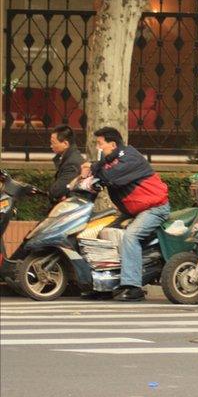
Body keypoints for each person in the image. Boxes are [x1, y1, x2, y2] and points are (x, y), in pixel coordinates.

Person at [80, 127, 170, 302]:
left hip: (154, 208)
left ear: (112, 144)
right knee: (101, 232)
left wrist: (93, 167)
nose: (98, 148)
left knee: (130, 236)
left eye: (100, 144)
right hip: (133, 210)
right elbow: (99, 170)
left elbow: (109, 176)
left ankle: (133, 286)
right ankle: (105, 283)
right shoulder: (111, 160)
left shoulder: (130, 157)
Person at [48, 125, 82, 203]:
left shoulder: (72, 163)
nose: (51, 146)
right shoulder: (67, 158)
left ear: (65, 144)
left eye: (53, 143)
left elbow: (57, 191)